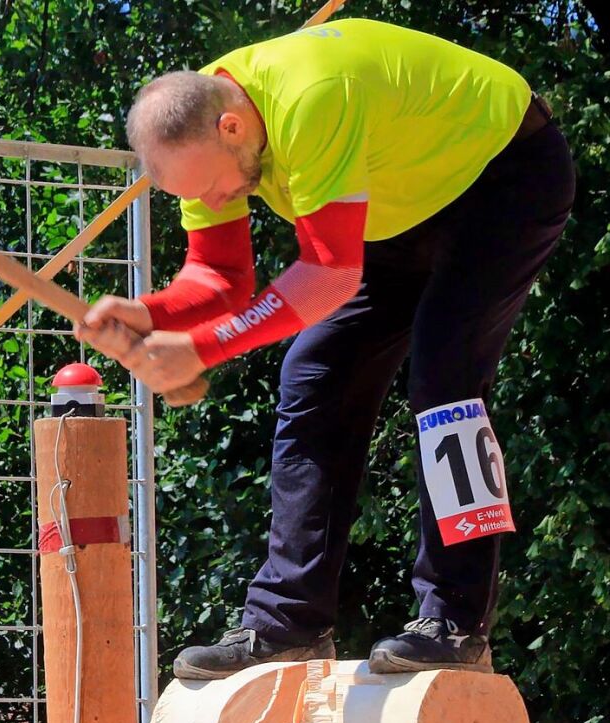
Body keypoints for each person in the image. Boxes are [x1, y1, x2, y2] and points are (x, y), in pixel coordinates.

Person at [74, 17, 575, 681]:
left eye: (214, 188)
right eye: (198, 198)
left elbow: (330, 276)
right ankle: (289, 621)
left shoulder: (310, 96)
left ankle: (456, 621)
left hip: (502, 180)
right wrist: (149, 311)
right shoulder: (203, 126)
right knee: (314, 375)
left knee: (445, 376)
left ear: (231, 127)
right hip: (398, 212)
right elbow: (220, 279)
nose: (218, 201)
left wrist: (201, 347)